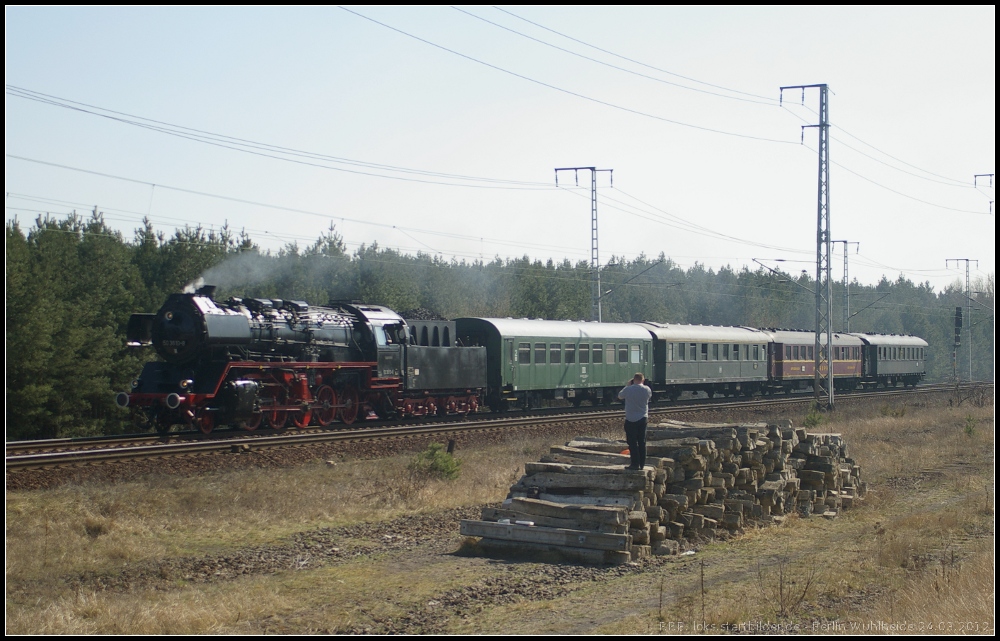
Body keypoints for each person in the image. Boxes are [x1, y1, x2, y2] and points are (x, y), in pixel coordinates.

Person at [618, 372, 652, 471]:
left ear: (633, 380)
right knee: (642, 441)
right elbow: (648, 397)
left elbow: (620, 396)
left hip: (630, 419)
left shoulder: (628, 389)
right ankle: (642, 464)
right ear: (643, 380)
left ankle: (634, 464)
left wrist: (628, 385)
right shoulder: (647, 389)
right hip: (643, 418)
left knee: (632, 443)